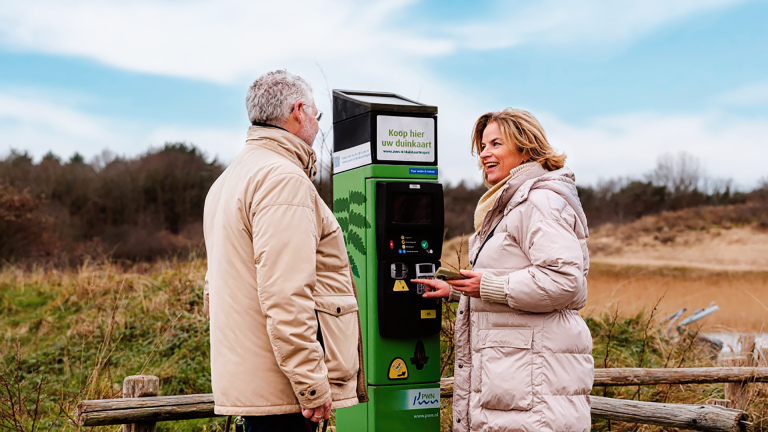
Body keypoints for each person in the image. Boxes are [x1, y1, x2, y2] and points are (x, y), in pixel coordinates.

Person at [203, 70, 367, 432]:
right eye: (316, 115)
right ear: (299, 111)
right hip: (284, 392)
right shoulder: (282, 180)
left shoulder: (227, 181)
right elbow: (286, 294)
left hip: (257, 383)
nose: (318, 125)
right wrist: (311, 385)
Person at [413, 108, 593, 432]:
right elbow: (513, 278)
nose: (485, 154)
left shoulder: (539, 202)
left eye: (496, 144)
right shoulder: (506, 204)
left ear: (524, 147)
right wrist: (456, 290)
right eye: (482, 146)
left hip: (533, 389)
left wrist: (488, 286)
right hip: (514, 384)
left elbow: (567, 281)